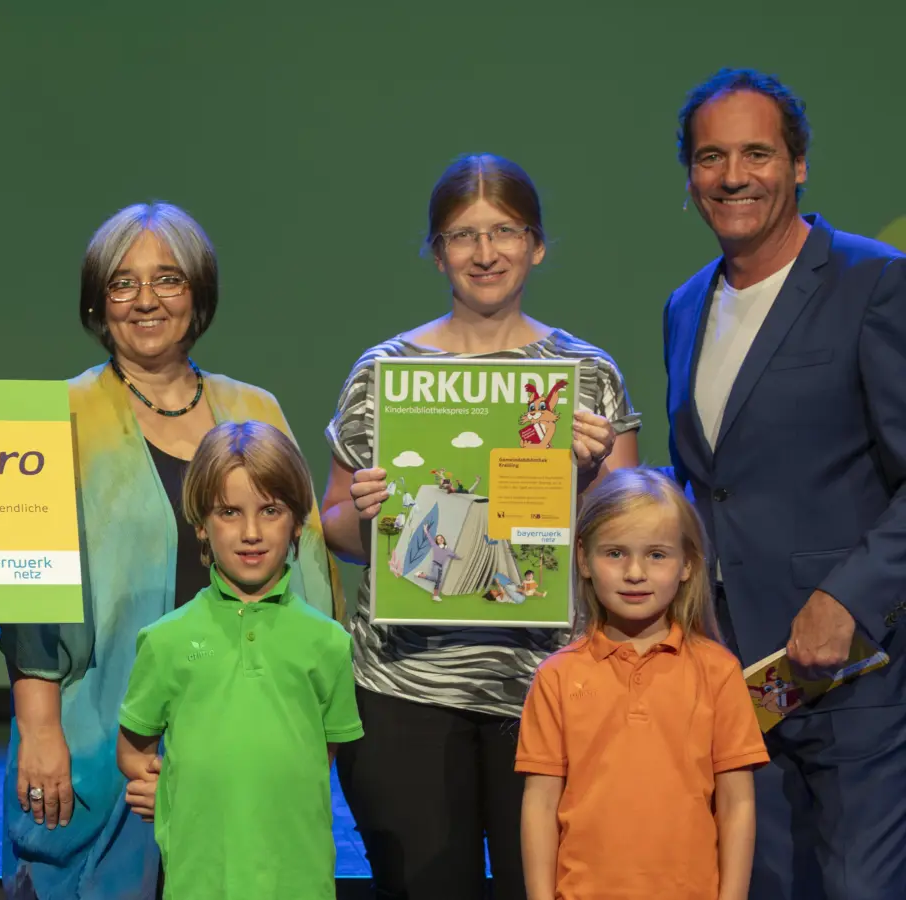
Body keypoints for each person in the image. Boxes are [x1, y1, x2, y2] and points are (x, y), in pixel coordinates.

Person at [0, 202, 343, 899]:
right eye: (123, 283)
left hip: (234, 759)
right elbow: (25, 595)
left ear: (199, 294)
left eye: (169, 279)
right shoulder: (57, 417)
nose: (146, 300)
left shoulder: (256, 412)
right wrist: (39, 731)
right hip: (97, 748)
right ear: (98, 301)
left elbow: (306, 587)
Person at [320, 153, 639, 900]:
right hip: (405, 684)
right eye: (464, 236)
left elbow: (630, 538)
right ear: (438, 253)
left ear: (537, 245)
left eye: (505, 232)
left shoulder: (586, 375)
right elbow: (330, 520)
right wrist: (369, 516)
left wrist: (591, 477)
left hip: (551, 685)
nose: (486, 253)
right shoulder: (383, 372)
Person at [662, 67, 906, 900]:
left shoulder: (876, 282)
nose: (733, 176)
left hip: (854, 684)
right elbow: (715, 480)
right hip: (738, 688)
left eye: (757, 153)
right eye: (710, 157)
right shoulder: (685, 306)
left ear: (798, 165)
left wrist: (849, 598)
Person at [117, 420, 363, 899]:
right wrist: (158, 785)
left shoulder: (328, 642)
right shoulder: (165, 640)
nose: (251, 532)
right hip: (200, 877)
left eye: (270, 510)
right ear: (202, 525)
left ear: (295, 521)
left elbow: (319, 757)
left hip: (298, 878)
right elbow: (133, 745)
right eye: (229, 512)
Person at [517, 468, 767, 900]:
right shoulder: (556, 677)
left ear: (687, 563)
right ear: (584, 559)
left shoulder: (719, 672)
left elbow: (736, 804)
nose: (635, 573)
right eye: (615, 553)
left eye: (656, 555)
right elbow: (539, 806)